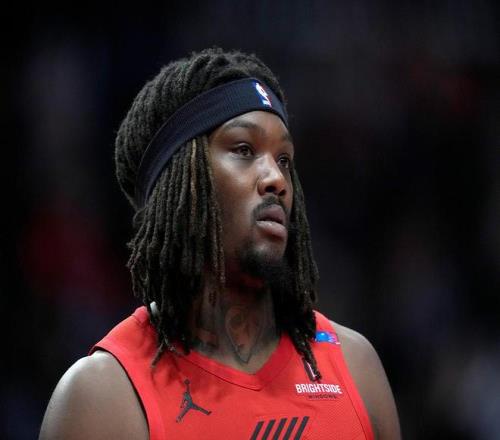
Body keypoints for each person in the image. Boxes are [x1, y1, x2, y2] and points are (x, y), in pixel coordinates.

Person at [39, 48, 401, 440]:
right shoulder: (105, 396)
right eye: (244, 150)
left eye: (284, 159)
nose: (277, 179)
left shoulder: (355, 367)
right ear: (181, 181)